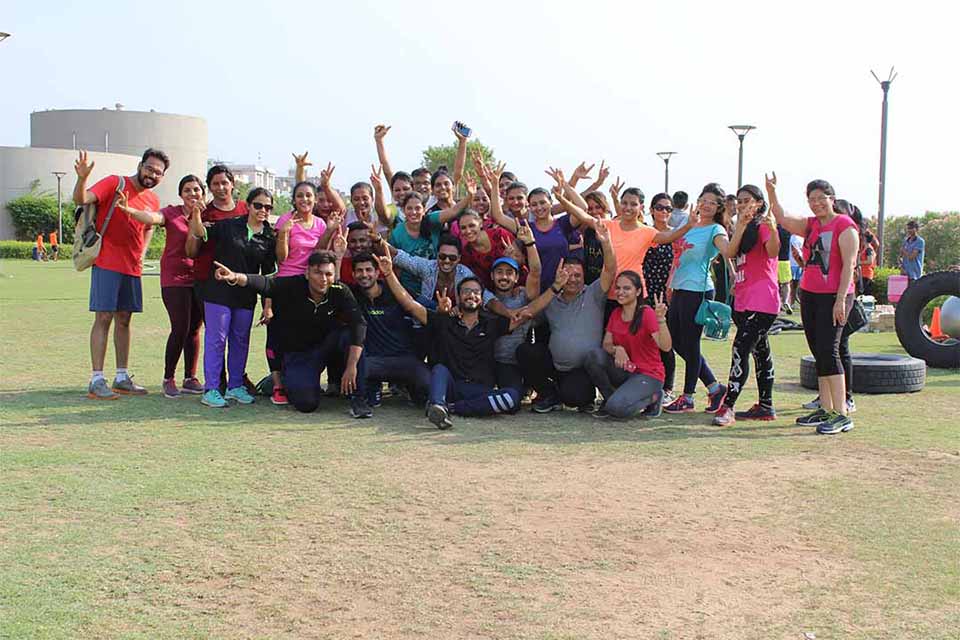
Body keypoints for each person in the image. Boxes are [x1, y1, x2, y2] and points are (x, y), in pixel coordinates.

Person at [374, 253, 553, 430]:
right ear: (458, 297)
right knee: (439, 369)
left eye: (476, 292)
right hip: (451, 386)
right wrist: (389, 274)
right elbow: (410, 305)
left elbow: (528, 312)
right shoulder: (444, 321)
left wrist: (556, 287)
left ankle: (452, 409)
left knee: (512, 398)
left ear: (482, 299)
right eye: (466, 291)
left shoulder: (492, 324)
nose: (471, 295)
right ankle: (437, 405)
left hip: (479, 390)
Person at [210, 252, 371, 418]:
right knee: (307, 404)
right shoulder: (293, 285)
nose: (323, 279)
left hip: (327, 346)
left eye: (328, 274)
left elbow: (359, 323)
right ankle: (279, 381)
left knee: (347, 335)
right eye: (318, 273)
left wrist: (351, 366)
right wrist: (235, 277)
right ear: (307, 273)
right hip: (300, 355)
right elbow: (266, 283)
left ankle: (359, 400)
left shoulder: (340, 290)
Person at [768, 174, 858, 435]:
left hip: (834, 296)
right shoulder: (811, 225)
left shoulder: (844, 225)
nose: (816, 203)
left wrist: (840, 300)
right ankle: (826, 408)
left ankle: (842, 413)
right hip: (810, 294)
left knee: (830, 350)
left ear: (832, 199)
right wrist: (772, 191)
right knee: (819, 351)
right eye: (811, 199)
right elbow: (781, 217)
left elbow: (849, 265)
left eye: (821, 198)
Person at [73, 148, 165, 400]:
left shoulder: (153, 200)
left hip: (132, 266)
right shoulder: (115, 183)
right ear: (140, 165)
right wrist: (82, 178)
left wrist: (143, 252)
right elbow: (82, 199)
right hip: (106, 261)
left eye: (158, 172)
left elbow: (149, 226)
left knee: (124, 319)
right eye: (149, 168)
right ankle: (96, 379)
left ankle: (122, 377)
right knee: (103, 317)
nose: (152, 175)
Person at [115, 174, 207, 398]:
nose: (192, 194)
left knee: (194, 329)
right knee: (180, 327)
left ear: (203, 193)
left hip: (199, 277)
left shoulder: (208, 215)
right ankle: (168, 378)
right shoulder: (172, 213)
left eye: (196, 190)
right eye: (187, 190)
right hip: (174, 278)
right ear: (180, 195)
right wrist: (129, 210)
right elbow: (152, 218)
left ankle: (190, 378)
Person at [187, 187, 277, 409]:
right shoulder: (228, 225)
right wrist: (196, 213)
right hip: (218, 292)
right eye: (258, 205)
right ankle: (211, 389)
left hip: (246, 296)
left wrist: (268, 306)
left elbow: (268, 276)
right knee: (216, 340)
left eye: (268, 207)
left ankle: (235, 386)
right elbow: (200, 233)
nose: (263, 210)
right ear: (248, 205)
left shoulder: (269, 236)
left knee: (240, 340)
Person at [516, 222, 618, 413]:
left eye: (577, 275)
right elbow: (529, 311)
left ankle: (575, 395)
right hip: (554, 366)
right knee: (525, 351)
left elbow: (610, 270)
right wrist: (555, 286)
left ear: (584, 276)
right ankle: (550, 395)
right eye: (567, 274)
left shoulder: (594, 293)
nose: (572, 279)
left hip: (582, 370)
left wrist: (606, 243)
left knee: (575, 398)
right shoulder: (551, 297)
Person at [712, 185, 781, 426]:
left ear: (759, 203)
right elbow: (731, 253)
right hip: (743, 300)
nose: (742, 205)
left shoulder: (764, 226)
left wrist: (773, 229)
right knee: (761, 351)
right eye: (739, 201)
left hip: (762, 301)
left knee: (740, 349)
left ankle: (728, 406)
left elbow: (773, 251)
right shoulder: (742, 228)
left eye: (747, 200)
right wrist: (740, 225)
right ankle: (766, 406)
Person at [661, 183, 731, 415]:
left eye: (713, 203)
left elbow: (727, 249)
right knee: (675, 341)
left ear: (719, 207)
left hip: (698, 290)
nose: (707, 205)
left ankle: (688, 397)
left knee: (691, 344)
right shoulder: (689, 223)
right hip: (679, 288)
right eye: (704, 200)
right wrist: (670, 283)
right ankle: (714, 387)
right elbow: (676, 255)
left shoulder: (716, 229)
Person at [266, 181, 338, 405]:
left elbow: (319, 254)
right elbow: (281, 259)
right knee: (276, 334)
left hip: (310, 283)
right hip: (286, 283)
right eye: (300, 195)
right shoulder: (285, 220)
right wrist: (284, 234)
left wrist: (329, 230)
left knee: (303, 335)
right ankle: (277, 384)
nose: (304, 199)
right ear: (294, 199)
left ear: (315, 199)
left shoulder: (319, 223)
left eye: (308, 195)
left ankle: (300, 377)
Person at [584, 272, 672, 419]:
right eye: (618, 288)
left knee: (617, 409)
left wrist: (661, 320)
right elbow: (606, 344)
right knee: (593, 356)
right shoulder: (616, 313)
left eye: (627, 288)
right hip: (626, 371)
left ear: (638, 291)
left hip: (648, 375)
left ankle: (654, 397)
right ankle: (610, 400)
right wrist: (617, 349)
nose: (621, 292)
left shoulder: (647, 313)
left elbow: (666, 347)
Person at [348, 252, 430, 409]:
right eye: (359, 271)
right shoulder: (352, 295)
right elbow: (334, 288)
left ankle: (407, 386)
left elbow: (422, 308)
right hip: (371, 363)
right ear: (353, 274)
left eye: (368, 270)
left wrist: (443, 309)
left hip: (404, 360)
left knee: (428, 389)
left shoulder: (394, 292)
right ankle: (370, 387)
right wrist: (338, 258)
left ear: (377, 272)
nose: (364, 275)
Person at [387, 183, 476, 297]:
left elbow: (453, 211)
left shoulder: (431, 220)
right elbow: (396, 263)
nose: (414, 212)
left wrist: (470, 195)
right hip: (410, 288)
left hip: (435, 283)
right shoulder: (397, 234)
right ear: (403, 210)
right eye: (409, 208)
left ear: (424, 209)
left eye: (418, 208)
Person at [489, 222, 542, 389]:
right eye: (499, 272)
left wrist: (530, 244)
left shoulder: (523, 295)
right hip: (492, 362)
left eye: (509, 273)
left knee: (513, 396)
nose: (504, 277)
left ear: (517, 277)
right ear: (491, 276)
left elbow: (535, 272)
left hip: (516, 361)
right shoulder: (486, 298)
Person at [643, 193, 677, 405]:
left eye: (668, 208)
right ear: (651, 210)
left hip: (667, 294)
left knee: (666, 342)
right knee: (646, 341)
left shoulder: (676, 235)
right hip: (646, 293)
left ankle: (668, 388)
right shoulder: (645, 233)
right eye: (659, 207)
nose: (664, 211)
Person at [776, 224, 793, 313]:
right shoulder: (787, 229)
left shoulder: (773, 229)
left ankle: (777, 302)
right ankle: (785, 301)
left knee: (776, 284)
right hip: (785, 260)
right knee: (786, 283)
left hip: (774, 259)